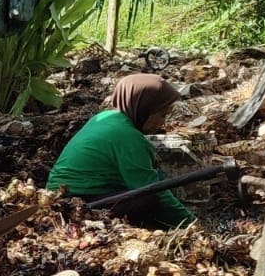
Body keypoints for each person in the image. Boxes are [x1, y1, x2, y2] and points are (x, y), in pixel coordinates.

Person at [47, 73, 197, 228]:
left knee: (158, 175)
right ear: (143, 109)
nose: (163, 123)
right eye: (162, 115)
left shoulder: (108, 117)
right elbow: (154, 190)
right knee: (149, 199)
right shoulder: (128, 137)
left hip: (61, 193)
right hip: (75, 202)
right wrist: (191, 224)